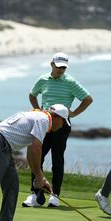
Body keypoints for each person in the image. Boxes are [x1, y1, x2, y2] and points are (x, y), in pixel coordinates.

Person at [22, 52, 93, 208]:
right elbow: (32, 95)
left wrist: (73, 113)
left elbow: (88, 99)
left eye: (64, 68)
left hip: (61, 126)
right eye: (59, 66)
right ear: (51, 64)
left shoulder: (70, 82)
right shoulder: (43, 80)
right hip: (43, 124)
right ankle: (34, 193)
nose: (61, 70)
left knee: (57, 160)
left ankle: (55, 196)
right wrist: (38, 110)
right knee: (37, 158)